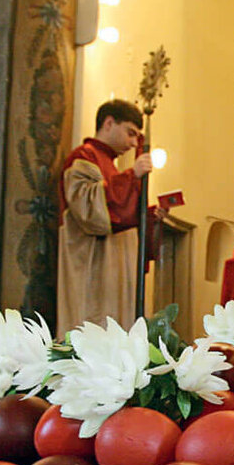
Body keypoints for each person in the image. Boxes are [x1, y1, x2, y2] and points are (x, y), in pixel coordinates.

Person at [56, 99, 153, 331]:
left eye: (137, 137)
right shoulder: (84, 157)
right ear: (109, 123)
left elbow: (123, 215)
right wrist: (132, 177)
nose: (132, 143)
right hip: (92, 271)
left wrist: (151, 217)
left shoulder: (110, 166)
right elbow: (90, 212)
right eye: (130, 133)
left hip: (114, 274)